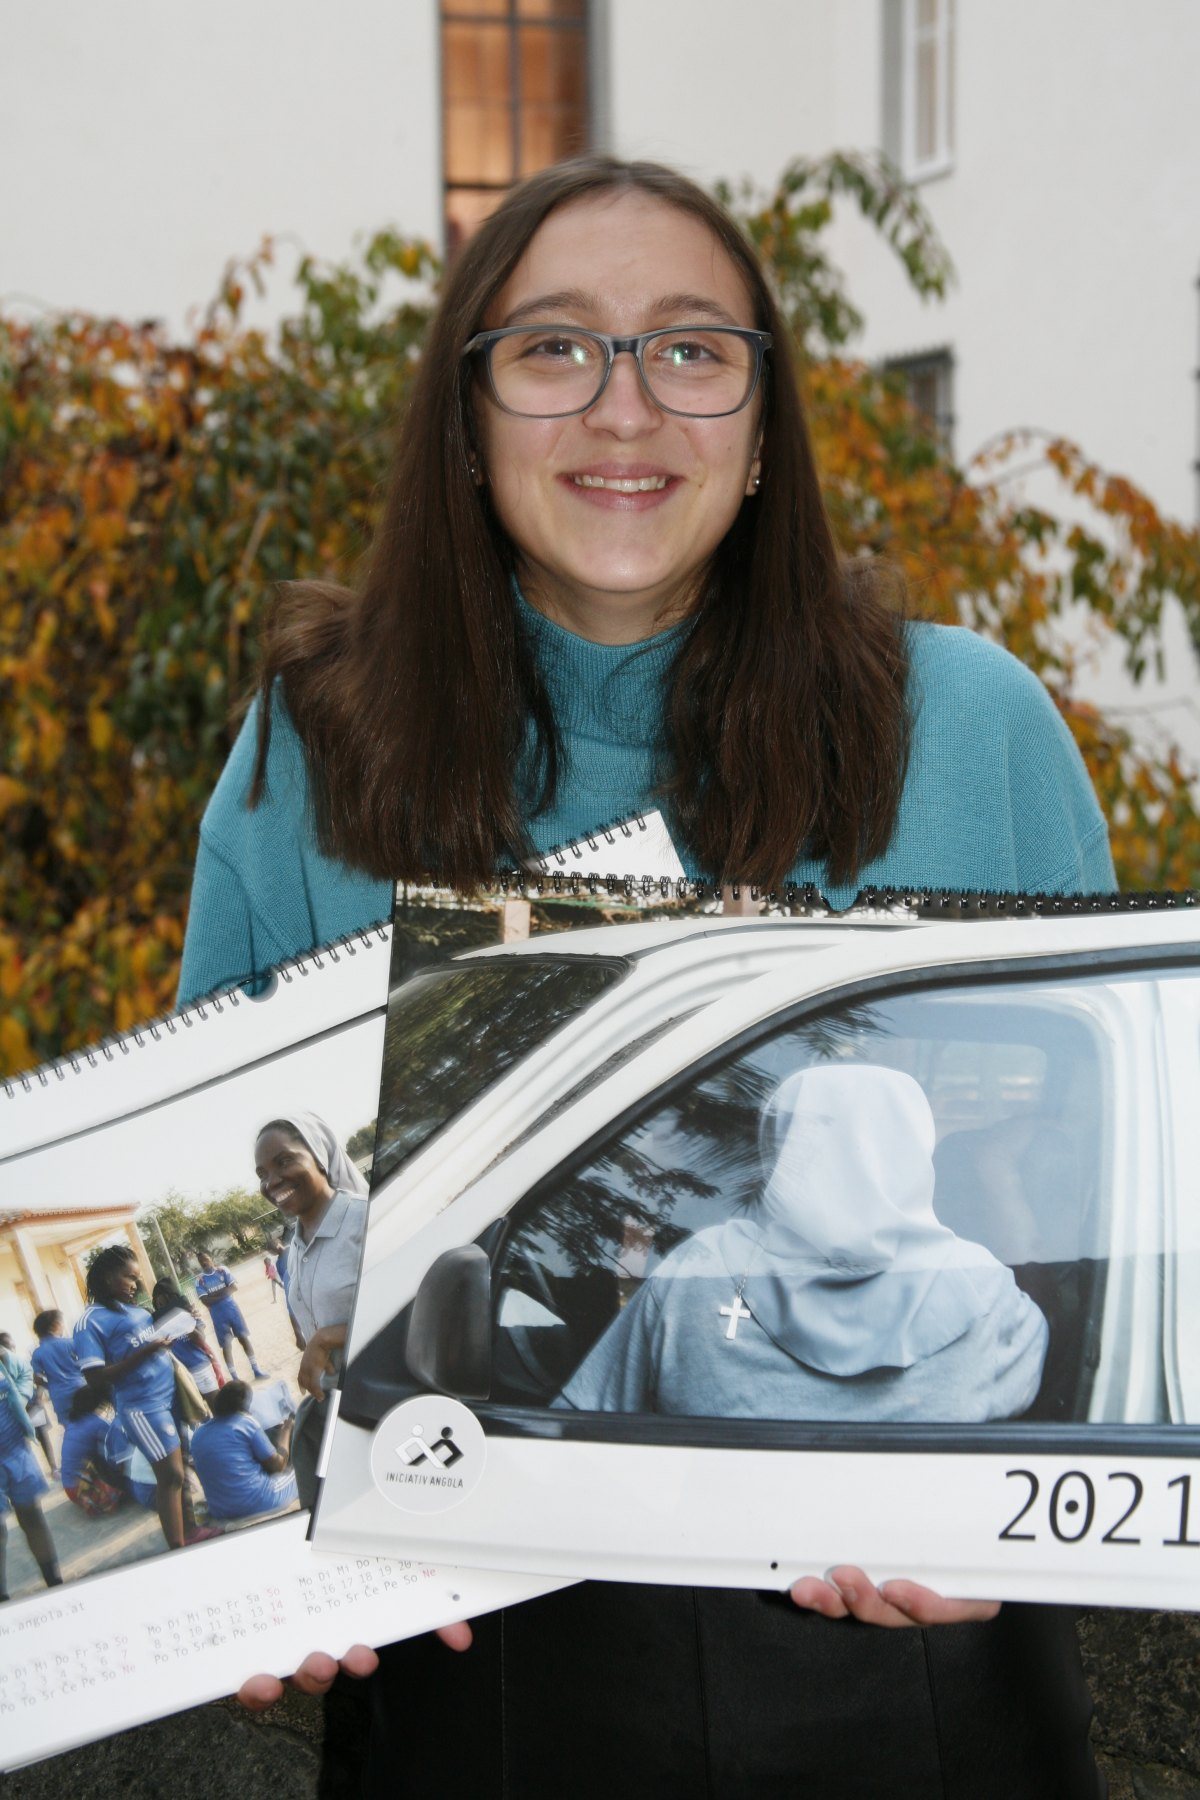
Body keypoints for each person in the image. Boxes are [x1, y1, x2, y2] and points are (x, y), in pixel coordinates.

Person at [180, 156, 1114, 1796]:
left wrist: (1064, 1498)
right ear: (468, 425)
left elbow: (1125, 1237)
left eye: (691, 350)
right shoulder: (306, 756)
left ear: (765, 432)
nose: (626, 410)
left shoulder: (974, 726)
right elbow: (231, 1248)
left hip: (924, 1676)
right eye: (555, 350)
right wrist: (256, 1566)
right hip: (478, 1684)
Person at [559, 1064, 1049, 1422]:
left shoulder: (701, 1271)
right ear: (914, 1150)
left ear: (778, 1150)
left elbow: (581, 1419)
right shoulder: (986, 1291)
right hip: (908, 1558)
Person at [253, 1113, 368, 1505]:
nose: (271, 1182)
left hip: (380, 1406)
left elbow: (416, 1306)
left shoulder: (364, 1220)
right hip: (337, 1411)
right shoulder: (294, 1246)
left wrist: (329, 1337)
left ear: (320, 1157)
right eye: (262, 1173)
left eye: (284, 1161)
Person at [73, 1244, 193, 1552]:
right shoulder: (90, 1322)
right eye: (129, 1278)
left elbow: (141, 1343)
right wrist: (147, 1351)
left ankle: (189, 1534)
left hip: (169, 1399)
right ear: (107, 1277)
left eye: (137, 1278)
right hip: (143, 1408)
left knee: (180, 1475)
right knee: (170, 1477)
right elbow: (95, 1377)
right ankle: (178, 1547)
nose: (136, 1285)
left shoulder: (135, 1310)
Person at [0, 1338, 62, 1601]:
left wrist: (22, 1394)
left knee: (32, 1516)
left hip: (15, 1448)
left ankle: (55, 1583)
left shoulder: (3, 1357)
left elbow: (24, 1372)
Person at [190, 1381, 297, 1522]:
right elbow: (278, 1465)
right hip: (257, 1502)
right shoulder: (246, 1422)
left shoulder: (198, 1434)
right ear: (245, 1406)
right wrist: (287, 1428)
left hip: (220, 1510)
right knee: (300, 1473)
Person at [193, 1252, 268, 1381]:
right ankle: (234, 1377)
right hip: (218, 1315)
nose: (204, 1262)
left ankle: (256, 1369)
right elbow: (205, 1301)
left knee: (243, 1338)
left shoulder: (222, 1270)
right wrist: (223, 1293)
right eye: (201, 1261)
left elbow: (233, 1287)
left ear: (210, 1258)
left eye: (205, 1259)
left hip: (232, 1310)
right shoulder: (200, 1280)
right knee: (226, 1345)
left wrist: (214, 1296)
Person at [151, 1279, 226, 1397]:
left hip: (199, 1366)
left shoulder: (190, 1314)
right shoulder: (156, 1324)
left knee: (216, 1405)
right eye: (160, 1305)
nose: (164, 1308)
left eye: (168, 1303)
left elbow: (200, 1339)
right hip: (177, 1374)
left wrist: (186, 1322)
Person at [60, 1385, 126, 1516]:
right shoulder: (97, 1423)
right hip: (85, 1491)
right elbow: (119, 1457)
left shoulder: (72, 1424)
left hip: (71, 1488)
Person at [30, 1309, 87, 1428]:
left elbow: (38, 1379)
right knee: (92, 1422)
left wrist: (49, 1385)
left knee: (72, 1430)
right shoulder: (71, 1343)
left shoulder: (38, 1354)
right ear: (55, 1325)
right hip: (81, 1390)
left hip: (60, 1398)